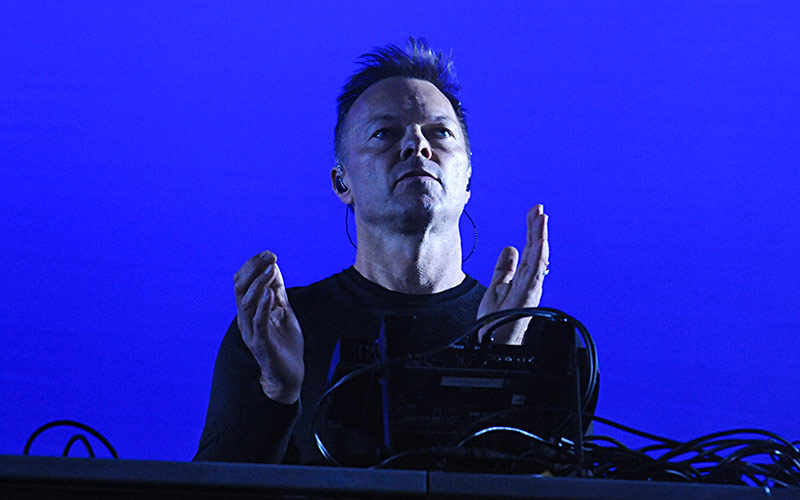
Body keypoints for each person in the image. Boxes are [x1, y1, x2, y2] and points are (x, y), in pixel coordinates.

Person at [194, 38, 549, 464]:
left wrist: (501, 361)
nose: (417, 146)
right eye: (385, 133)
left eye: (440, 133)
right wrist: (277, 392)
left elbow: (560, 483)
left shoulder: (530, 334)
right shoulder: (277, 330)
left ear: (468, 177)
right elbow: (210, 488)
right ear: (342, 182)